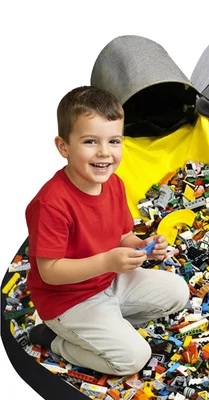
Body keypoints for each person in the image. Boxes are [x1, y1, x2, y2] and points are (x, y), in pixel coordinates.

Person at [25, 86, 190, 376]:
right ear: (64, 147)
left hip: (109, 281)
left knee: (179, 292)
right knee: (134, 358)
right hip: (68, 301)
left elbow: (122, 236)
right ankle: (58, 341)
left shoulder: (114, 184)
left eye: (114, 141)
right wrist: (107, 261)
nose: (104, 152)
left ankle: (108, 327)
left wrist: (143, 245)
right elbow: (49, 271)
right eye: (90, 141)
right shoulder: (51, 204)